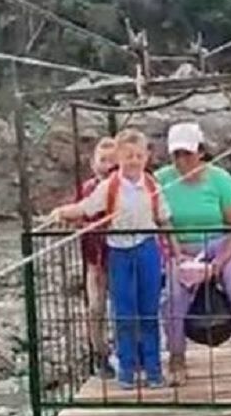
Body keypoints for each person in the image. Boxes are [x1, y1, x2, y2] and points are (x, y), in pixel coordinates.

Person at [50, 130, 179, 389]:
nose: (133, 161)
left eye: (139, 156)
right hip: (118, 253)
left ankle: (153, 370)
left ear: (147, 157)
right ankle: (127, 369)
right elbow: (87, 206)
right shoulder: (109, 186)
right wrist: (64, 212)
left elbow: (164, 219)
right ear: (119, 157)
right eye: (128, 156)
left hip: (146, 250)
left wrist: (175, 249)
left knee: (149, 311)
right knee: (123, 311)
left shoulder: (152, 184)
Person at [155, 122, 231, 387]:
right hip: (181, 247)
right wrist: (177, 253)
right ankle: (176, 355)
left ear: (201, 152)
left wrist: (219, 263)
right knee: (173, 295)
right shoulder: (161, 180)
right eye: (177, 155)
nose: (182, 160)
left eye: (188, 153)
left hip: (222, 244)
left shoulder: (221, 180)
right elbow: (162, 223)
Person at [76, 136, 117, 378]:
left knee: (123, 307)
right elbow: (81, 212)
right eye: (102, 160)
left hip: (119, 257)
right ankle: (99, 353)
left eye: (112, 160)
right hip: (95, 261)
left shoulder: (123, 186)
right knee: (95, 307)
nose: (107, 165)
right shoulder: (87, 188)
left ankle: (129, 352)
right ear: (93, 163)